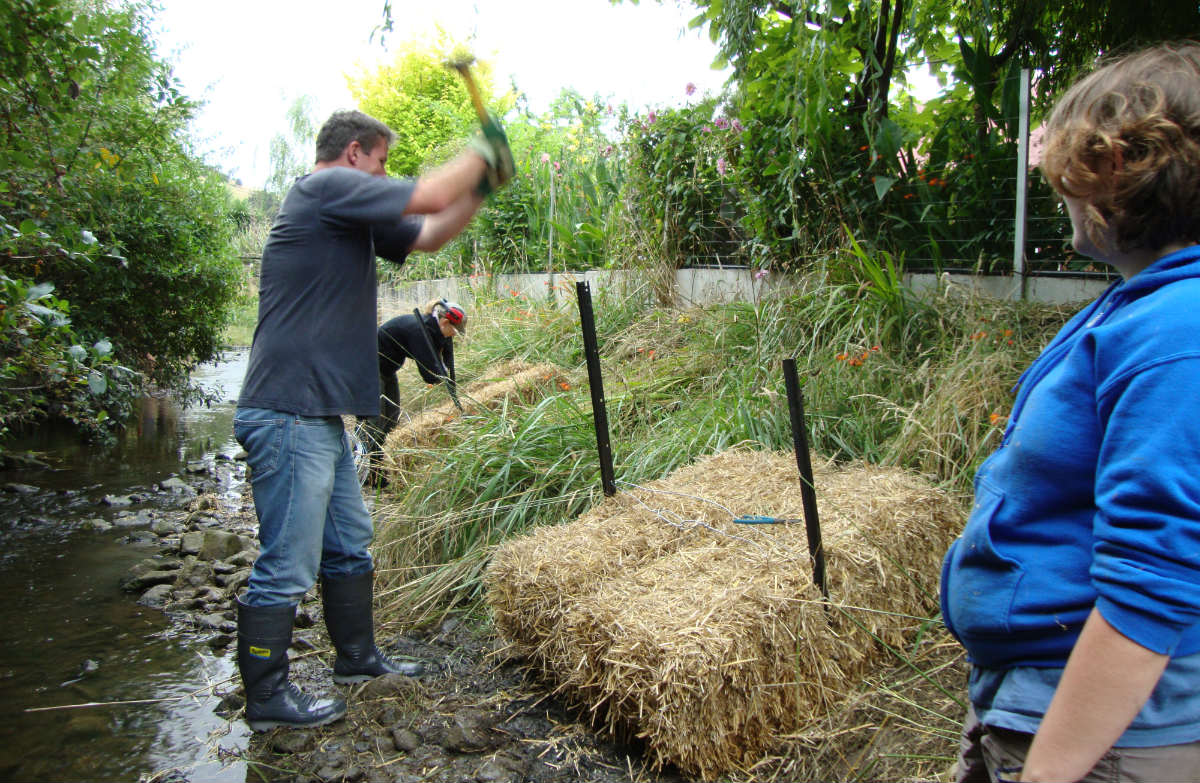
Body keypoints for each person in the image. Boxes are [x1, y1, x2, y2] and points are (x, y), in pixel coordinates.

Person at [941, 42, 1200, 782]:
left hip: (1102, 741)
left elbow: (1150, 582)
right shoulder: (1144, 304)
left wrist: (1049, 769)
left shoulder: (1179, 331)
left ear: (1116, 164)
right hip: (1037, 706)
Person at [232, 109, 512, 732]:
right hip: (287, 410)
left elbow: (433, 229)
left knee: (349, 542)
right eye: (383, 162)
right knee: (289, 563)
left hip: (321, 416)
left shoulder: (350, 220)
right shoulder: (324, 188)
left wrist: (483, 189)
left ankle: (356, 659)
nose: (384, 174)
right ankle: (267, 700)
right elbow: (435, 189)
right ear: (355, 153)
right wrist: (482, 153)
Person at [355, 298, 467, 487]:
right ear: (445, 322)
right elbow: (429, 373)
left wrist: (453, 385)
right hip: (369, 368)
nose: (453, 336)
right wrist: (443, 379)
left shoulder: (432, 329)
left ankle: (375, 472)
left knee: (391, 417)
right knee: (372, 422)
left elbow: (447, 362)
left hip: (387, 370)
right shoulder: (419, 331)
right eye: (454, 331)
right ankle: (358, 469)